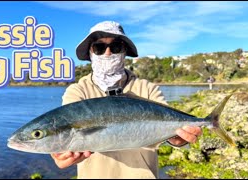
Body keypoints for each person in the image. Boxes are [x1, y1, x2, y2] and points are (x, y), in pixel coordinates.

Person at [50, 21, 202, 179]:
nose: (108, 53)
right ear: (90, 53)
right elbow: (65, 131)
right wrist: (61, 155)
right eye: (99, 48)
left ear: (124, 51)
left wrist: (178, 138)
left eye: (115, 47)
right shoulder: (78, 91)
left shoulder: (147, 88)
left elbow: (169, 128)